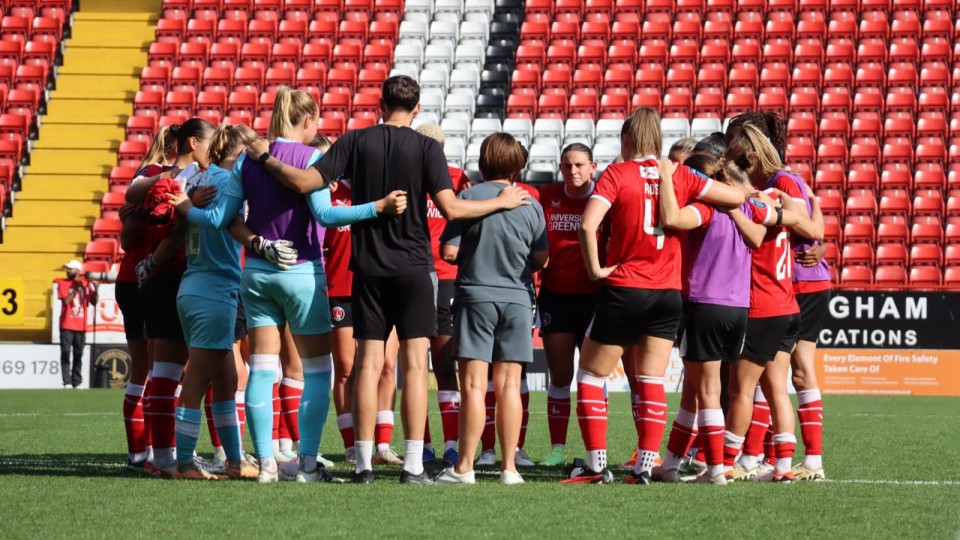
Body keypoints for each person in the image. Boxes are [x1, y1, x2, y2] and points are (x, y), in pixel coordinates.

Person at [244, 75, 531, 484]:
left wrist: (265, 158)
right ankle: (414, 465)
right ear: (417, 110)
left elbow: (306, 182)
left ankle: (362, 464)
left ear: (380, 105)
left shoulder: (354, 141)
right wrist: (500, 200)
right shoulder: (428, 147)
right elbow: (450, 209)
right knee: (415, 366)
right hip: (415, 268)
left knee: (367, 365)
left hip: (369, 269)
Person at [562, 107, 745, 485]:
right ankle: (646, 466)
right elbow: (735, 197)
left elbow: (587, 224)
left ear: (627, 139)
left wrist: (596, 269)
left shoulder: (617, 172)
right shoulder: (679, 174)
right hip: (667, 293)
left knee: (592, 375)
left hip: (627, 286)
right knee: (650, 379)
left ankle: (596, 467)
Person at [234, 87, 407, 484]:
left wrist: (259, 243)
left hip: (257, 270)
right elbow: (326, 215)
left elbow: (230, 217)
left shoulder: (248, 160)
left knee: (262, 368)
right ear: (308, 121)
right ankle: (308, 463)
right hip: (301, 271)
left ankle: (266, 464)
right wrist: (376, 208)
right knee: (316, 371)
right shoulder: (312, 157)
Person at [434, 132, 548, 485]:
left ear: (484, 161)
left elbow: (449, 253)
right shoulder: (532, 203)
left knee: (472, 385)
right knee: (510, 385)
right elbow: (541, 258)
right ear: (518, 164)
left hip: (476, 295)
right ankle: (509, 468)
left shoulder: (467, 197)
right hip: (517, 298)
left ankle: (465, 467)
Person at [653, 155, 765, 485]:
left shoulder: (706, 209)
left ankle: (716, 468)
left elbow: (671, 218)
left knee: (707, 391)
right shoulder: (745, 209)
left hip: (704, 304)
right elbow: (759, 234)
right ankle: (673, 462)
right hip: (737, 308)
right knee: (701, 389)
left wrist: (665, 178)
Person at [721, 125, 820, 483]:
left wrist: (733, 209)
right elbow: (806, 224)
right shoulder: (777, 196)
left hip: (761, 306)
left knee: (740, 390)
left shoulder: (753, 203)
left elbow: (755, 232)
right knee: (777, 389)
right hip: (787, 305)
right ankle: (782, 467)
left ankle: (729, 463)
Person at [166, 123, 263, 480]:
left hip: (196, 286)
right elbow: (219, 220)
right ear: (239, 154)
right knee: (197, 382)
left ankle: (235, 462)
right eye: (251, 154)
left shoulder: (200, 180)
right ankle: (186, 463)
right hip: (214, 289)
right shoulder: (226, 182)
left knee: (225, 382)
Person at [323, 174, 404, 466]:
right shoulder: (330, 193)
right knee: (346, 368)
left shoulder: (387, 193)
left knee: (386, 365)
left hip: (383, 287)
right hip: (341, 288)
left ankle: (382, 445)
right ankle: (351, 445)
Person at [117, 125, 177, 471]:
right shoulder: (156, 176)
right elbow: (129, 238)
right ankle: (153, 453)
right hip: (145, 279)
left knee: (147, 370)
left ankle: (141, 454)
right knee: (156, 371)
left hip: (136, 278)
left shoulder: (150, 175)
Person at [536, 143, 600, 467]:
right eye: (566, 165)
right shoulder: (546, 196)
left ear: (592, 166)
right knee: (560, 376)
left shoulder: (604, 197)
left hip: (595, 299)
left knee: (593, 376)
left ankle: (594, 450)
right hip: (556, 296)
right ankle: (557, 448)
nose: (572, 171)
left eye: (578, 165)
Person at [416, 122, 466, 466]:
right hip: (417, 275)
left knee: (442, 364)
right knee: (420, 367)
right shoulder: (402, 176)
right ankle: (428, 444)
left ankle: (448, 443)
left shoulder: (459, 178)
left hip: (444, 276)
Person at [56, 260, 98, 388]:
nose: (67, 271)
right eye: (67, 269)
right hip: (66, 324)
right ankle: (67, 381)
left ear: (78, 271)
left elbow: (94, 302)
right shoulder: (63, 284)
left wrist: (96, 289)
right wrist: (75, 290)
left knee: (78, 354)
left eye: (70, 269)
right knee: (65, 352)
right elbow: (66, 301)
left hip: (81, 326)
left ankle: (77, 381)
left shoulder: (86, 284)